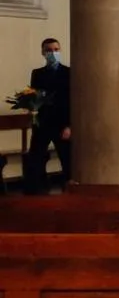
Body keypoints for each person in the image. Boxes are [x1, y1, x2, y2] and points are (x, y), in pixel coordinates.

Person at [22, 36, 70, 193]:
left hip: (62, 124)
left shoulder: (68, 73)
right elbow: (35, 96)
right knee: (35, 160)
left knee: (68, 161)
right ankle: (38, 193)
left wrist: (70, 125)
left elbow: (72, 100)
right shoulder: (37, 73)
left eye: (56, 50)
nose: (53, 53)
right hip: (42, 123)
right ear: (43, 53)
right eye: (49, 50)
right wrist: (32, 107)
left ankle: (69, 192)